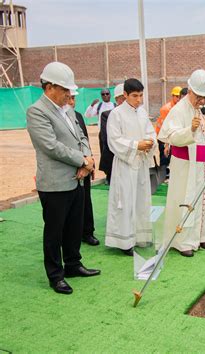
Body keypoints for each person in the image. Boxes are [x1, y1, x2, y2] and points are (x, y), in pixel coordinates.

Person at [26, 61, 100, 295]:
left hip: (77, 178)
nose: (69, 94)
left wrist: (87, 160)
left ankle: (73, 264)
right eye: (65, 89)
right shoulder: (37, 111)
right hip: (55, 183)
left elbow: (81, 135)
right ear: (49, 88)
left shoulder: (67, 110)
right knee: (55, 231)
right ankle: (55, 275)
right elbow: (50, 146)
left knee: (73, 226)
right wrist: (82, 160)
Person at [158, 69, 205, 257]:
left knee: (202, 199)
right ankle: (182, 241)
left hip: (203, 164)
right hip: (185, 164)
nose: (202, 101)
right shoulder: (178, 109)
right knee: (185, 199)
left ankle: (202, 236)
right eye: (199, 97)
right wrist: (189, 130)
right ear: (191, 91)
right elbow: (168, 135)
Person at [105, 78, 157, 256]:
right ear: (125, 95)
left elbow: (151, 132)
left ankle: (139, 237)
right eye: (135, 96)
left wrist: (150, 142)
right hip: (125, 165)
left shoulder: (142, 113)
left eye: (141, 95)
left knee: (141, 200)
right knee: (125, 201)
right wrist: (136, 145)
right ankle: (124, 241)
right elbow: (114, 140)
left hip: (141, 163)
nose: (139, 100)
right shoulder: (116, 114)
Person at [67, 90, 100, 246]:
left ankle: (87, 232)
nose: (72, 101)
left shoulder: (78, 116)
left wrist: (90, 164)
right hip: (69, 167)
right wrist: (81, 163)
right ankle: (71, 234)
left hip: (85, 166)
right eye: (70, 98)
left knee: (86, 200)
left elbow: (84, 140)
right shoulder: (54, 117)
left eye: (74, 98)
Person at [99, 83, 125, 184]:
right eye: (122, 98)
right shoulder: (107, 115)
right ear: (117, 99)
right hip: (113, 159)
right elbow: (107, 139)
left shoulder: (137, 114)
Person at [155, 86, 182, 178]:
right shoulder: (166, 109)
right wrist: (167, 143)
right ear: (172, 96)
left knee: (171, 155)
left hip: (171, 135)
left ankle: (167, 172)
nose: (178, 99)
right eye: (177, 96)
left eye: (180, 97)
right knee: (164, 155)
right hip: (163, 135)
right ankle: (162, 174)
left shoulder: (178, 107)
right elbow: (165, 127)